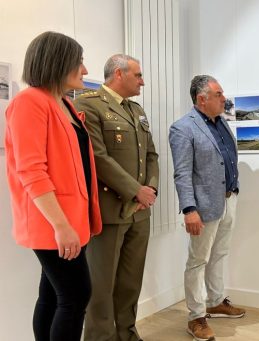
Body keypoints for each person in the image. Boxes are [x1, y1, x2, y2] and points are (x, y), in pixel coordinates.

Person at [4, 31, 102, 341]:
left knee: (53, 295)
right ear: (58, 62)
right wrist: (61, 224)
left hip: (72, 217)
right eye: (79, 62)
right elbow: (31, 170)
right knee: (75, 297)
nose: (85, 70)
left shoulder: (62, 103)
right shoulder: (29, 102)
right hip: (54, 221)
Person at [74, 54, 159, 341]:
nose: (142, 81)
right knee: (101, 287)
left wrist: (151, 189)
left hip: (140, 212)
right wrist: (137, 190)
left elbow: (151, 155)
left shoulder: (136, 110)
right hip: (109, 212)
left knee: (130, 283)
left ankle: (127, 334)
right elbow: (97, 157)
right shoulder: (88, 104)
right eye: (138, 75)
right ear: (119, 74)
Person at [169, 75, 245, 341]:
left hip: (228, 199)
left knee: (220, 253)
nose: (224, 98)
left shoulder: (222, 122)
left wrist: (232, 192)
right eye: (219, 94)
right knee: (197, 261)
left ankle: (215, 301)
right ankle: (196, 317)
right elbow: (182, 173)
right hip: (202, 206)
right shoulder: (182, 128)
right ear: (202, 99)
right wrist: (189, 209)